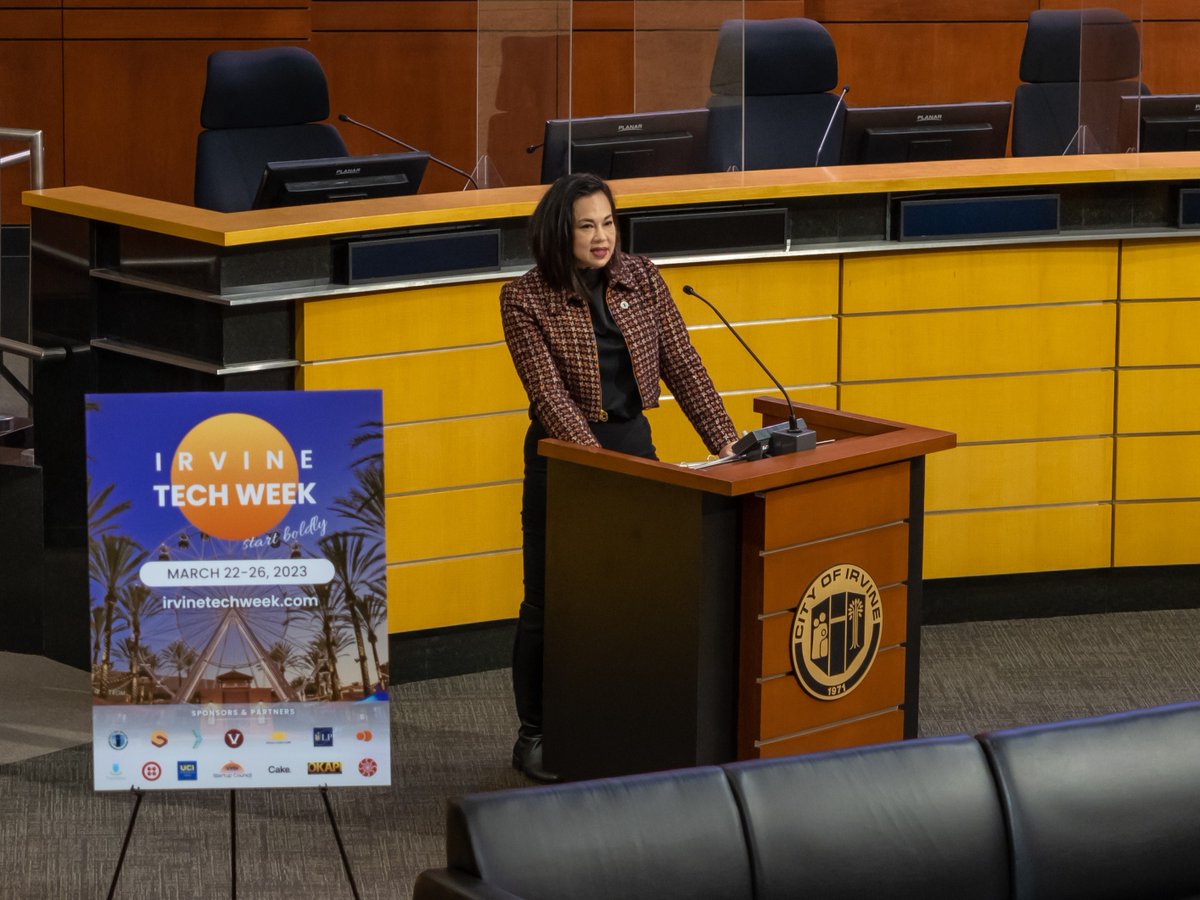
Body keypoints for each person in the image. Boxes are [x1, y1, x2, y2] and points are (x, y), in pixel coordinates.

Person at [500, 172, 739, 782]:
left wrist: (733, 448)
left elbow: (685, 366)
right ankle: (535, 733)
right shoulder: (525, 298)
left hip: (636, 451)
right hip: (565, 462)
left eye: (608, 223)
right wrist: (601, 474)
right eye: (587, 225)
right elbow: (550, 399)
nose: (602, 237)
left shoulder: (643, 277)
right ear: (561, 231)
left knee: (639, 599)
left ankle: (625, 722)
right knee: (550, 603)